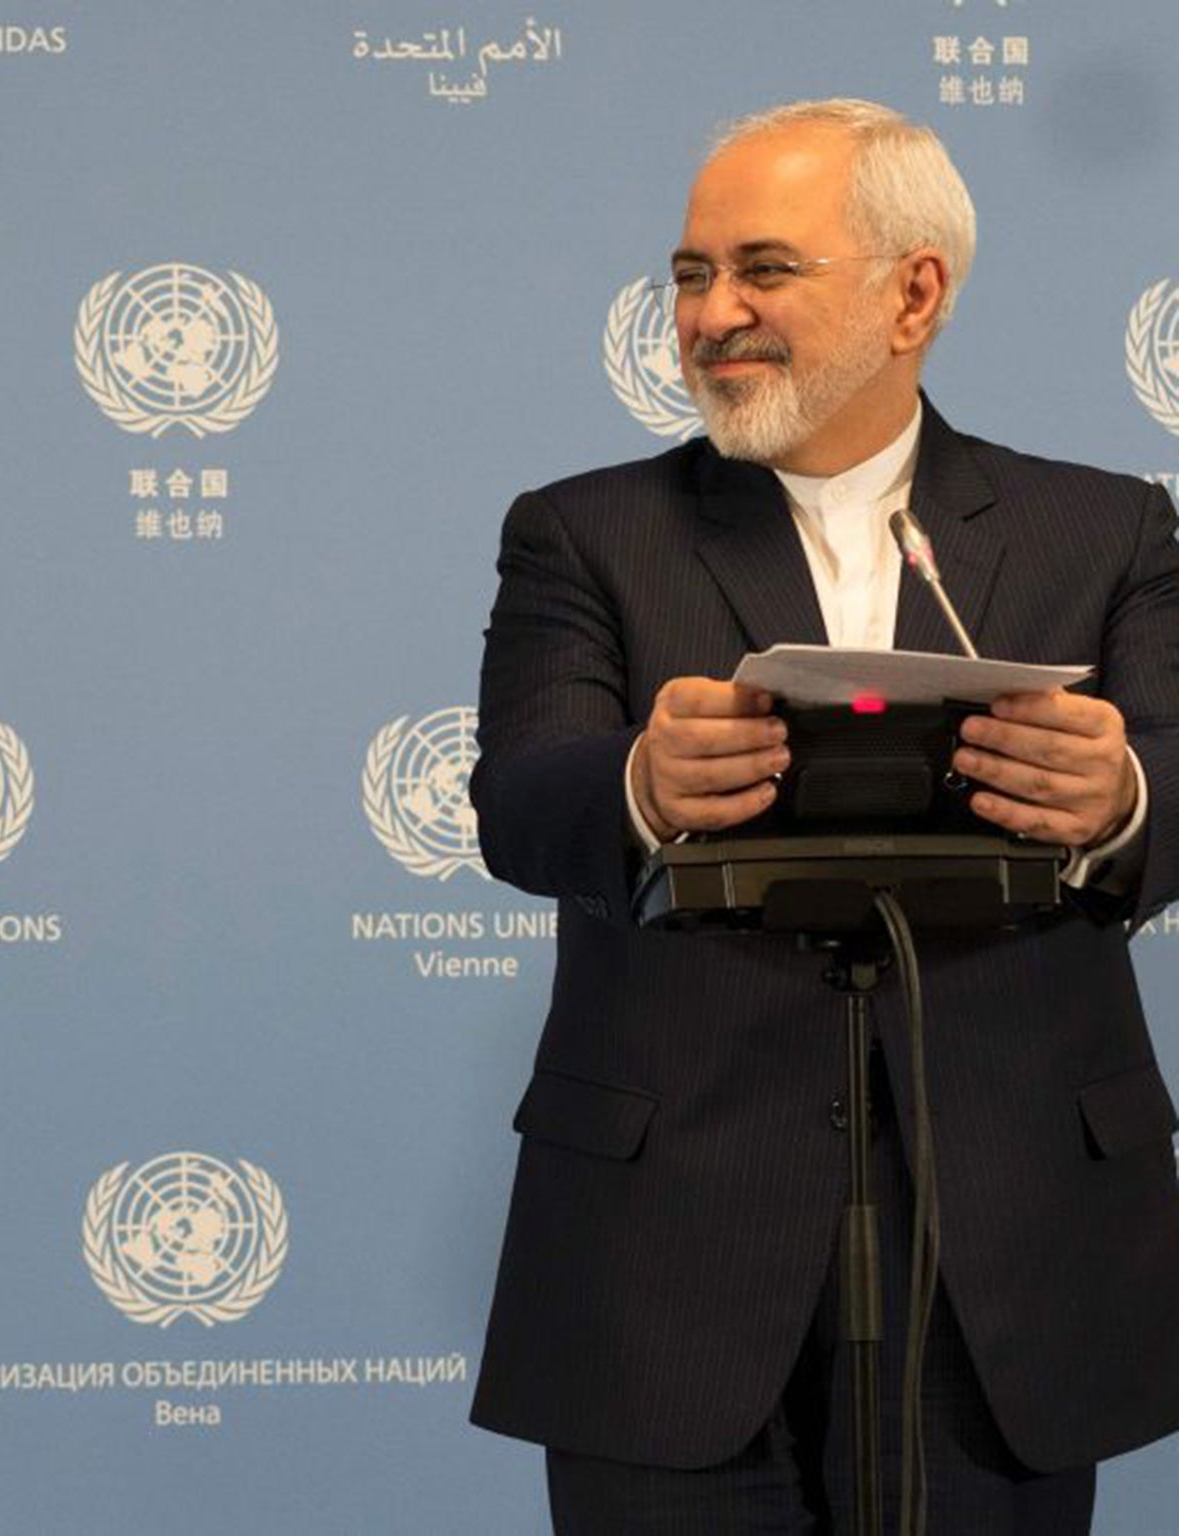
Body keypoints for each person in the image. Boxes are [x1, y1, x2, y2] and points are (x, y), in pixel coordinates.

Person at [469, 98, 1179, 1533]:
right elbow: (519, 798)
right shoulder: (585, 530)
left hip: (1009, 1261)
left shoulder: (1105, 529)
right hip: (666, 1264)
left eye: (763, 270)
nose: (711, 314)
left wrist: (1124, 795)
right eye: (689, 274)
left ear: (913, 290)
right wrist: (636, 784)